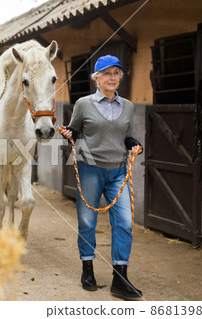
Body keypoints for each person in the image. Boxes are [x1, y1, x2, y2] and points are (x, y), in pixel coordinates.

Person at [59, 55, 143, 299]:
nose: (112, 77)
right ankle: (87, 269)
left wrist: (135, 144)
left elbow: (127, 136)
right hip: (90, 168)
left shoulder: (127, 105)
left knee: (125, 222)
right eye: (107, 73)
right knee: (87, 222)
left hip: (118, 171)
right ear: (96, 78)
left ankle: (120, 278)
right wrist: (68, 133)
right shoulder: (83, 104)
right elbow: (75, 129)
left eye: (116, 73)